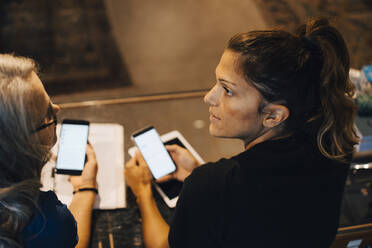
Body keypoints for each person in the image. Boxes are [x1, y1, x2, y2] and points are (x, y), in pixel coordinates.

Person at [124, 17, 359, 248]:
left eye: (227, 90)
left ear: (273, 116)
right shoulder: (334, 144)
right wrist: (199, 176)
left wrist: (142, 190)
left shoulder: (213, 188)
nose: (209, 97)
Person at [0, 54, 98, 248]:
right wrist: (86, 189)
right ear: (22, 144)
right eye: (47, 115)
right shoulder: (44, 224)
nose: (57, 108)